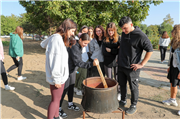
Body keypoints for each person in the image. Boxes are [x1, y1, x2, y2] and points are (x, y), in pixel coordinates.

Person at [40, 18, 77, 119]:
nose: (73, 33)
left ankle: (56, 115)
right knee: (55, 100)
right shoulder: (56, 39)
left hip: (61, 76)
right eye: (72, 31)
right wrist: (56, 79)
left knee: (58, 98)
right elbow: (55, 61)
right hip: (57, 77)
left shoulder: (60, 39)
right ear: (66, 28)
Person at [118, 16, 153, 115]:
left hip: (132, 68)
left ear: (131, 25)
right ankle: (123, 100)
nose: (124, 31)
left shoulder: (140, 35)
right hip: (121, 65)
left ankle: (133, 105)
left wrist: (142, 64)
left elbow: (150, 50)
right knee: (122, 85)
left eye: (125, 28)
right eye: (122, 29)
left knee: (133, 87)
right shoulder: (124, 33)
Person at [59, 33, 99, 118]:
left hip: (72, 70)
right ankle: (58, 108)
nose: (86, 45)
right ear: (80, 40)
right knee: (64, 89)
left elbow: (79, 61)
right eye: (85, 43)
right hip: (67, 70)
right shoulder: (74, 47)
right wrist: (92, 64)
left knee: (71, 87)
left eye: (87, 43)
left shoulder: (79, 46)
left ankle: (70, 103)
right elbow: (78, 62)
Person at [162, 24, 180, 116]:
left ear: (177, 32)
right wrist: (170, 66)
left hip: (179, 69)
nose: (171, 32)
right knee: (173, 84)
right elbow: (172, 57)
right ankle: (172, 100)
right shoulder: (173, 42)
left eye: (173, 30)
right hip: (173, 67)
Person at [102, 22, 121, 100]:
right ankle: (111, 93)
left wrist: (111, 50)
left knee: (117, 78)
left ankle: (118, 92)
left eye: (112, 30)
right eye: (109, 30)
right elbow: (104, 52)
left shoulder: (119, 38)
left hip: (117, 61)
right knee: (109, 78)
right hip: (107, 61)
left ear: (114, 30)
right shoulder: (105, 39)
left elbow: (120, 51)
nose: (110, 32)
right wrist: (115, 50)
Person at [74, 25, 89, 95]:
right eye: (84, 31)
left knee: (83, 75)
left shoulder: (87, 39)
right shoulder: (76, 39)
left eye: (86, 31)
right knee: (77, 74)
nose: (85, 32)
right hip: (78, 60)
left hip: (85, 60)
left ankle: (79, 88)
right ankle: (75, 87)